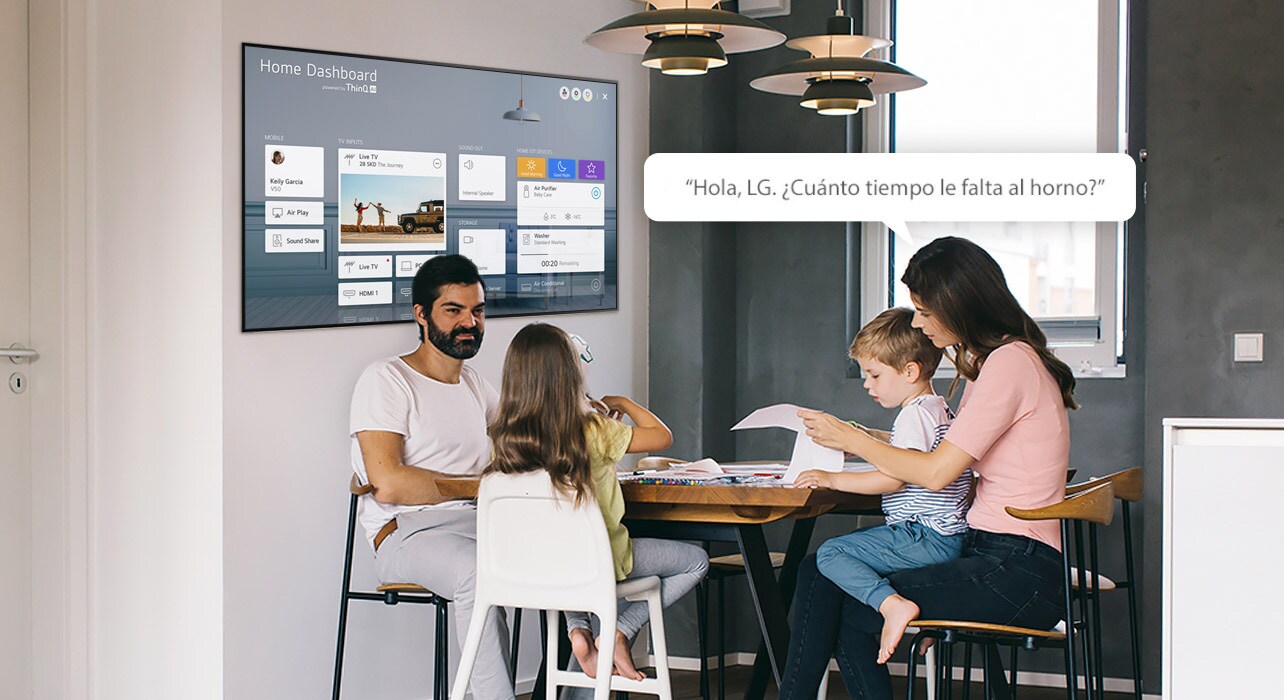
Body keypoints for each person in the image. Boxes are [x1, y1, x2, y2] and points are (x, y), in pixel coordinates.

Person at [782, 237, 1077, 700]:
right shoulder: (1001, 363)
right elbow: (942, 454)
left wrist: (854, 440)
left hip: (1017, 569)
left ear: (957, 304)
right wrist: (867, 438)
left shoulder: (1008, 365)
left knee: (832, 586)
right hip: (999, 556)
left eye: (923, 310)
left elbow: (937, 473)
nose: (917, 322)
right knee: (825, 576)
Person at [486, 323, 709, 685]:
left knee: (565, 557)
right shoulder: (593, 428)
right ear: (570, 375)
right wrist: (622, 403)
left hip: (537, 566)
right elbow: (662, 436)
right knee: (696, 561)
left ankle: (578, 630)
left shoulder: (504, 439)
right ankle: (618, 632)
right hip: (603, 560)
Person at [349, 254, 514, 700]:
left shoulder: (476, 386)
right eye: (454, 310)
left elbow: (523, 447)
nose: (470, 323)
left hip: (476, 526)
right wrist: (479, 487)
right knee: (479, 573)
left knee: (583, 550)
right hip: (405, 533)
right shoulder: (387, 380)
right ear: (421, 315)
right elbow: (390, 483)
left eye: (477, 311)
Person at [793, 307, 971, 664]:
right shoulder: (935, 408)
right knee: (837, 559)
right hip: (945, 535)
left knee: (830, 554)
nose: (866, 383)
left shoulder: (914, 414)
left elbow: (894, 476)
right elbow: (904, 453)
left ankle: (892, 606)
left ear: (910, 370)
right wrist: (869, 436)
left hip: (924, 536)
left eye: (874, 374)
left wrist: (832, 479)